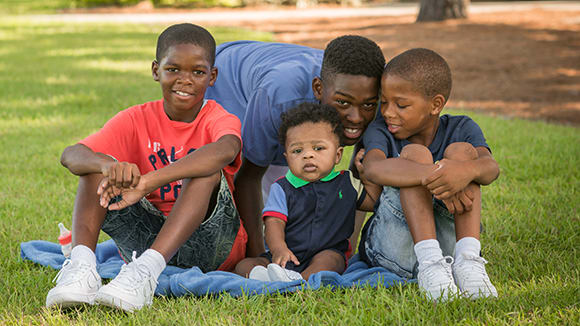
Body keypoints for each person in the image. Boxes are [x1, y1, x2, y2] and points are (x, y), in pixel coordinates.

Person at [45, 23, 247, 312]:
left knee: (205, 169)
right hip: (143, 243)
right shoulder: (135, 119)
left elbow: (226, 149)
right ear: (156, 70)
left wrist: (150, 181)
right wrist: (108, 165)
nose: (185, 80)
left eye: (198, 72)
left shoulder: (218, 118)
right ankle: (82, 268)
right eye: (173, 69)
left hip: (214, 245)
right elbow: (71, 154)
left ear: (212, 76)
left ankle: (147, 274)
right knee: (98, 167)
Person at [204, 36, 385, 258]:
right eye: (343, 102)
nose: (356, 118)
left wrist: (344, 255)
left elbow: (357, 180)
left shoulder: (379, 97)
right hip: (227, 78)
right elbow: (248, 177)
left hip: (280, 72)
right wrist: (260, 257)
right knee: (231, 182)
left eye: (368, 104)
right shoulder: (279, 98)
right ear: (318, 88)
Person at [358, 48, 500, 301]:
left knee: (464, 153)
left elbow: (490, 168)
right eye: (384, 102)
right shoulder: (381, 130)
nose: (388, 112)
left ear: (436, 104)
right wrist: (435, 174)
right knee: (415, 155)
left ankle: (469, 260)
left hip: (450, 250)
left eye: (401, 104)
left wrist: (463, 171)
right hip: (392, 249)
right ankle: (429, 263)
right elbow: (373, 168)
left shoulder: (462, 127)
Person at [234, 103, 380, 282]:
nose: (308, 155)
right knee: (244, 265)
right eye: (297, 150)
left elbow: (373, 202)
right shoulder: (282, 187)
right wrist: (279, 249)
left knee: (330, 260)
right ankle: (272, 277)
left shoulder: (347, 183)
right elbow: (274, 223)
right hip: (286, 255)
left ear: (338, 155)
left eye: (318, 148)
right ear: (287, 158)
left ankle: (297, 283)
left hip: (327, 253)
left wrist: (366, 176)